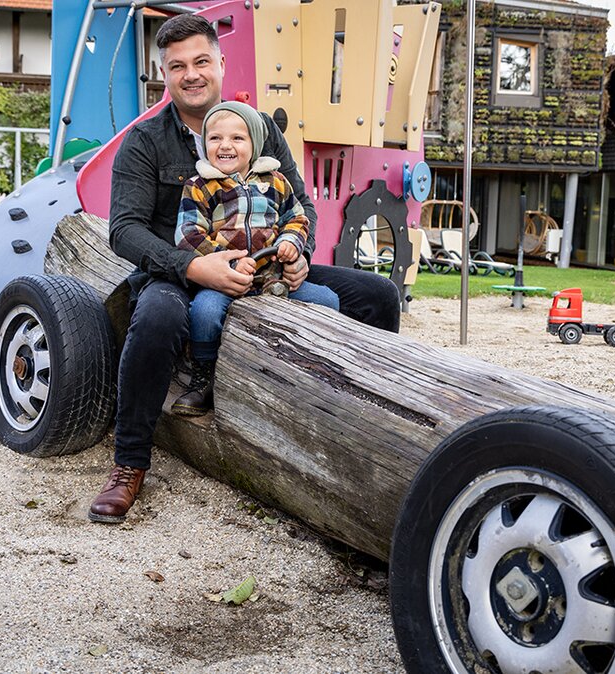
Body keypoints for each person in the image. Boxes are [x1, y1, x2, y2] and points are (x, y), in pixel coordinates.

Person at [89, 14, 400, 523]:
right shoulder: (145, 142)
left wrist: (298, 254)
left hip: (266, 266)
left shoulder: (261, 131)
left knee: (378, 295)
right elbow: (124, 230)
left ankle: (371, 423)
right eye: (177, 66)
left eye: (201, 61)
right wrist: (193, 267)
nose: (191, 74)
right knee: (158, 318)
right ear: (162, 73)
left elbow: (301, 203)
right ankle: (129, 463)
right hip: (178, 273)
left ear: (220, 63)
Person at [171, 101, 339, 417]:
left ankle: (312, 373)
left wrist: (292, 243)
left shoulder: (275, 182)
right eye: (215, 138)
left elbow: (297, 216)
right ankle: (203, 377)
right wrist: (224, 261)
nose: (225, 146)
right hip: (223, 281)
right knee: (205, 312)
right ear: (205, 144)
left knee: (328, 301)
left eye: (237, 138)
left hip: (272, 277)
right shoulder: (200, 186)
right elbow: (188, 233)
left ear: (255, 144)